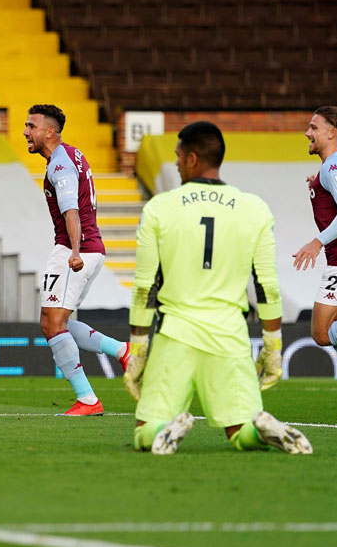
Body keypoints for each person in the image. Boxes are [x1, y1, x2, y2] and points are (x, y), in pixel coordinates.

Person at [123, 121, 312, 455]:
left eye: (179, 156)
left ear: (193, 159)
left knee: (144, 431)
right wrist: (273, 346)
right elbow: (267, 286)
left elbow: (145, 287)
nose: (177, 163)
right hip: (229, 335)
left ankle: (165, 432)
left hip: (176, 334)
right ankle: (264, 430)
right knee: (241, 430)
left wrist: (138, 349)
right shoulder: (254, 209)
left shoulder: (159, 208)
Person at [24, 104, 130, 416]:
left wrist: (72, 250)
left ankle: (87, 399)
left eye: (32, 126)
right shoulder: (72, 154)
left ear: (49, 131)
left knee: (53, 324)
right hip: (85, 247)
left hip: (75, 249)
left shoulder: (59, 165)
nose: (25, 132)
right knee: (56, 322)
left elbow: (70, 210)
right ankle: (123, 351)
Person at [290, 106, 337, 417]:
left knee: (322, 332)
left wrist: (317, 242)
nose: (308, 133)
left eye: (313, 128)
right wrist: (319, 182)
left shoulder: (334, 169)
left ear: (331, 132)